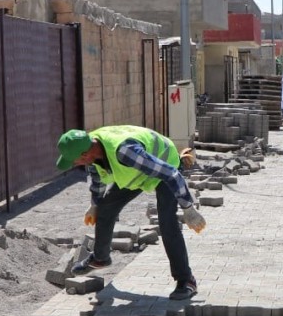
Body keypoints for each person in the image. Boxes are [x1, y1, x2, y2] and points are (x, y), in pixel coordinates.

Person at [56, 125, 204, 301]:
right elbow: (97, 176)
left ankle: (186, 280)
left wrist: (188, 208)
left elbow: (171, 174)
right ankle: (100, 258)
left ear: (85, 154)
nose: (74, 165)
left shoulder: (125, 152)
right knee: (105, 208)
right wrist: (95, 204)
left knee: (167, 223)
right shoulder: (92, 146)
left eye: (74, 161)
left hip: (165, 164)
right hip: (137, 171)